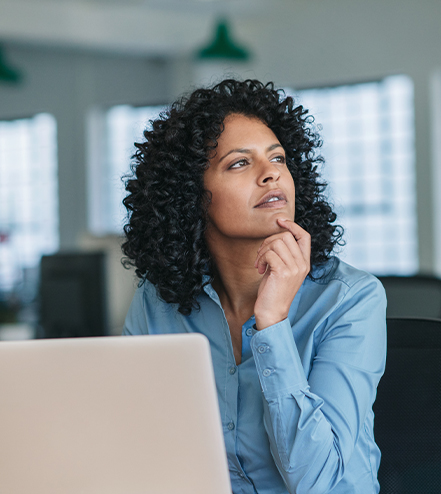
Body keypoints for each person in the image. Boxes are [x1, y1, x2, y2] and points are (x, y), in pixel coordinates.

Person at [120, 79, 387, 494]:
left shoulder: (349, 298)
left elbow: (321, 483)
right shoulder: (159, 302)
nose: (271, 174)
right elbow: (135, 445)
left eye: (277, 158)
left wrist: (273, 323)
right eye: (239, 163)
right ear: (192, 196)